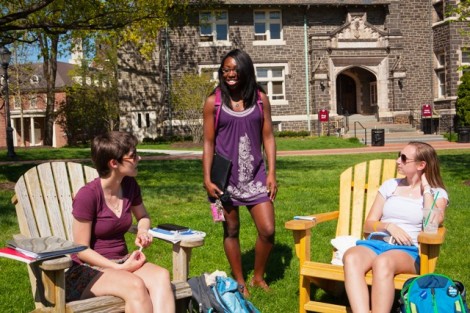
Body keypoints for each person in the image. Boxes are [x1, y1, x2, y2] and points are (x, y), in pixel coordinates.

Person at [65, 131, 174, 313]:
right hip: (87, 270)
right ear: (114, 163)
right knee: (135, 286)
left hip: (122, 261)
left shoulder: (130, 185)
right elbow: (81, 249)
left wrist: (142, 231)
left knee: (161, 276)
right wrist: (119, 268)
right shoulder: (88, 195)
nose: (139, 158)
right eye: (132, 156)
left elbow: (143, 217)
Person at [202, 49, 278, 297]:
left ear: (245, 70)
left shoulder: (259, 99)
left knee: (267, 230)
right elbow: (208, 143)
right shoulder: (213, 102)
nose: (230, 74)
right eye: (225, 69)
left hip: (255, 175)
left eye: (234, 69)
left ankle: (258, 277)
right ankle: (240, 280)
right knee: (231, 230)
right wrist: (207, 179)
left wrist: (271, 173)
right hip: (226, 179)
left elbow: (268, 136)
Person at [343, 141, 449, 313]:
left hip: (408, 250)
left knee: (383, 262)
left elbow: (431, 226)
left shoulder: (437, 193)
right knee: (351, 257)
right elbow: (368, 224)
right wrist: (389, 226)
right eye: (399, 155)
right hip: (377, 243)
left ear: (421, 165)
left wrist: (427, 188)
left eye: (404, 158)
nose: (398, 160)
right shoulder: (390, 185)